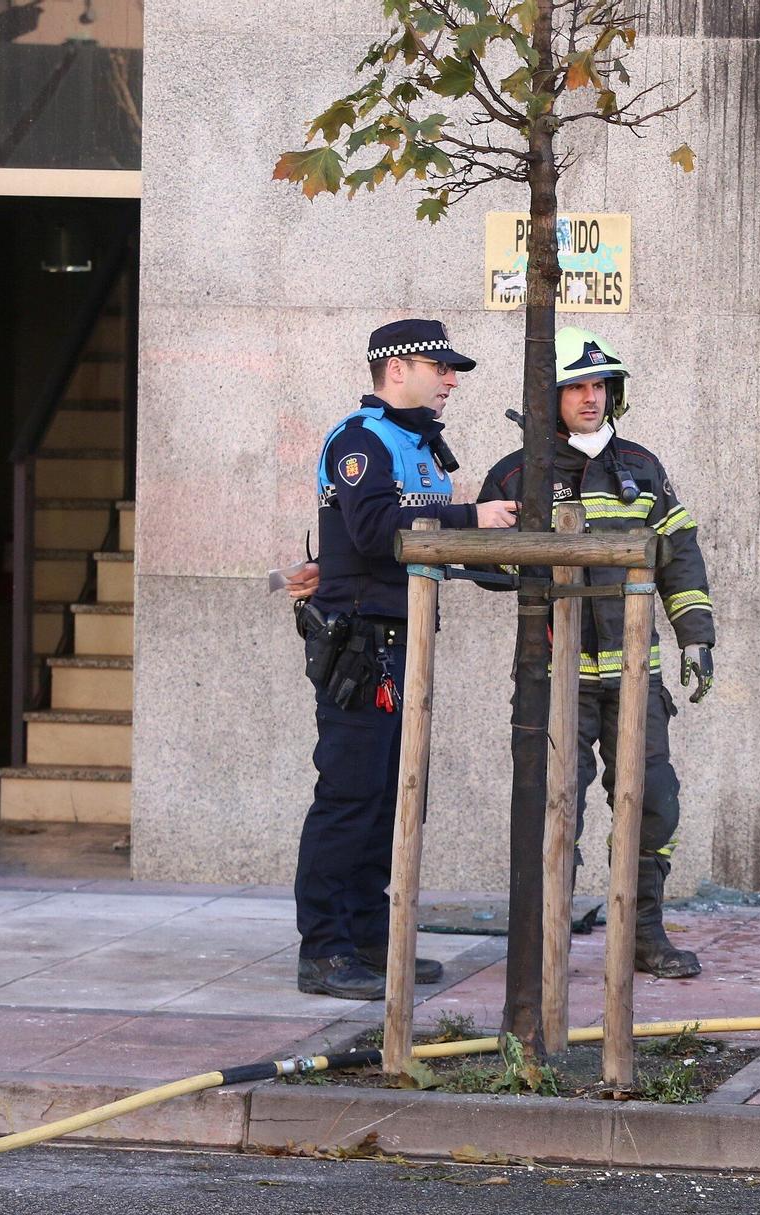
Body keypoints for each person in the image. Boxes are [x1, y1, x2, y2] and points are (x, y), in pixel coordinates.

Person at [475, 326, 716, 979]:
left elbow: (681, 553)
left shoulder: (642, 466)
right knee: (556, 809)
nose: (590, 397)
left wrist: (696, 636)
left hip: (637, 678)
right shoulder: (518, 471)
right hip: (556, 680)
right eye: (575, 386)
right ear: (549, 396)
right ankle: (543, 944)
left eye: (599, 384)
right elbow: (482, 562)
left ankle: (643, 932)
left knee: (656, 802)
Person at [292, 319, 518, 999]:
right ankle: (325, 950)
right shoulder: (363, 440)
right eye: (440, 367)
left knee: (390, 800)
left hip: (402, 645)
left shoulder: (418, 445)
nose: (451, 381)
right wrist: (469, 519)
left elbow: (420, 541)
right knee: (349, 797)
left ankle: (365, 937)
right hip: (363, 647)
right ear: (397, 370)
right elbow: (372, 531)